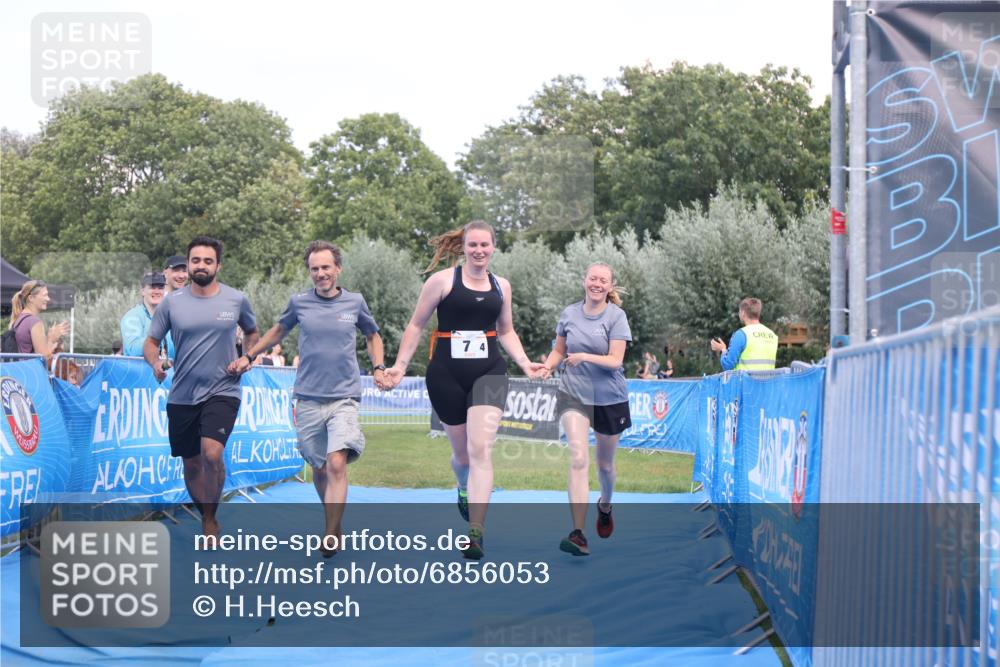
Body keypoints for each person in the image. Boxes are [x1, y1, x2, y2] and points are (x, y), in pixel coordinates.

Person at [383, 220, 545, 560]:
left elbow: (506, 331)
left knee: (481, 447)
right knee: (462, 456)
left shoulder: (502, 286)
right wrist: (399, 365)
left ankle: (476, 531)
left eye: (485, 245)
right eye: (473, 245)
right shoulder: (441, 281)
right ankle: (461, 486)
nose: (479, 250)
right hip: (446, 375)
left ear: (493, 247)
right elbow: (416, 324)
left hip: (489, 372)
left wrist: (526, 362)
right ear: (464, 247)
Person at [230, 240, 387, 557]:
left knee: (336, 462)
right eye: (314, 269)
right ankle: (335, 522)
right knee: (317, 467)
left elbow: (372, 335)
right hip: (307, 397)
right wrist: (250, 356)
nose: (320, 274)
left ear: (338, 269)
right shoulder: (299, 303)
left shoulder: (355, 303)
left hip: (343, 395)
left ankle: (329, 533)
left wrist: (379, 367)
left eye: (326, 267)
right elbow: (278, 331)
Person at [144, 236, 259, 543]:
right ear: (189, 264)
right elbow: (151, 342)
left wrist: (247, 358)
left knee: (212, 453)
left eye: (208, 261)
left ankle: (210, 518)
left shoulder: (236, 300)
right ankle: (206, 513)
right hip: (182, 394)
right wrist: (155, 363)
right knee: (192, 462)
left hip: (224, 389)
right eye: (196, 260)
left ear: (218, 265)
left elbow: (252, 332)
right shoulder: (172, 302)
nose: (201, 265)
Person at [539, 263, 632, 556]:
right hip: (573, 394)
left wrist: (584, 356)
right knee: (579, 457)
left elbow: (616, 360)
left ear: (609, 286)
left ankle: (604, 505)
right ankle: (578, 533)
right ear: (584, 281)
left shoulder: (617, 316)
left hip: (609, 397)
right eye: (593, 278)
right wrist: (547, 366)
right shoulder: (569, 313)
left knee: (605, 466)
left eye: (603, 280)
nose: (597, 283)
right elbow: (559, 350)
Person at [7, 280, 69, 363]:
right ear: (31, 298)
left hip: (21, 371)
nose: (48, 299)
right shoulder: (34, 322)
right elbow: (43, 358)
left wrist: (48, 338)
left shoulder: (19, 319)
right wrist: (51, 339)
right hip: (32, 372)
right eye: (45, 295)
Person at [710, 297, 778, 371]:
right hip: (768, 382)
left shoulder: (741, 334)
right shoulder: (772, 335)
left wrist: (723, 350)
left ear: (743, 313)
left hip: (746, 382)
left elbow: (728, 365)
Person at [120, 272, 174, 358]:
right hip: (139, 370)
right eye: (152, 287)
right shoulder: (132, 317)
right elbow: (132, 350)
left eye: (160, 287)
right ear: (143, 291)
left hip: (169, 371)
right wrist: (156, 339)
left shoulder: (171, 316)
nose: (157, 291)